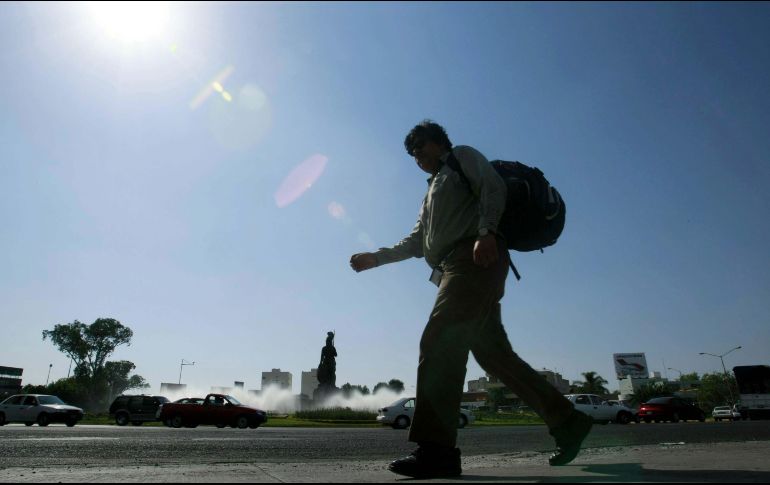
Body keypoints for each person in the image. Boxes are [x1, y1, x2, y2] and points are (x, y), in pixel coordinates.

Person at [349, 120, 592, 479]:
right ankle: (568, 421)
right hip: (453, 268)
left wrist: (487, 232)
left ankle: (437, 451)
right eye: (412, 153)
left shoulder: (461, 158)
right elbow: (417, 242)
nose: (416, 156)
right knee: (496, 358)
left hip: (474, 259)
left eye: (420, 147)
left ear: (438, 143)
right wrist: (377, 257)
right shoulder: (432, 191)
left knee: (440, 340)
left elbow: (492, 187)